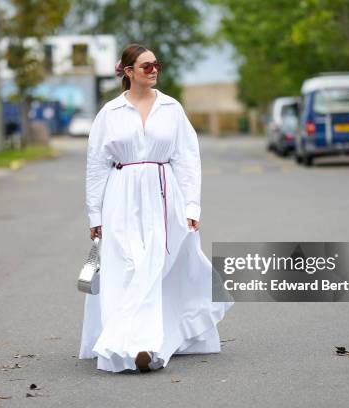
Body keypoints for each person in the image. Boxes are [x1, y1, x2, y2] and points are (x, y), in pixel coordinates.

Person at [78, 43, 234, 373]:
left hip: (165, 198)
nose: (153, 71)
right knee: (129, 267)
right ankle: (133, 343)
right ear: (128, 71)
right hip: (120, 199)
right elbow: (96, 165)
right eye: (145, 66)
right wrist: (95, 214)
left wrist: (192, 206)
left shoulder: (172, 108)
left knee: (158, 265)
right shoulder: (110, 113)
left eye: (156, 65)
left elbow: (188, 159)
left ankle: (147, 344)